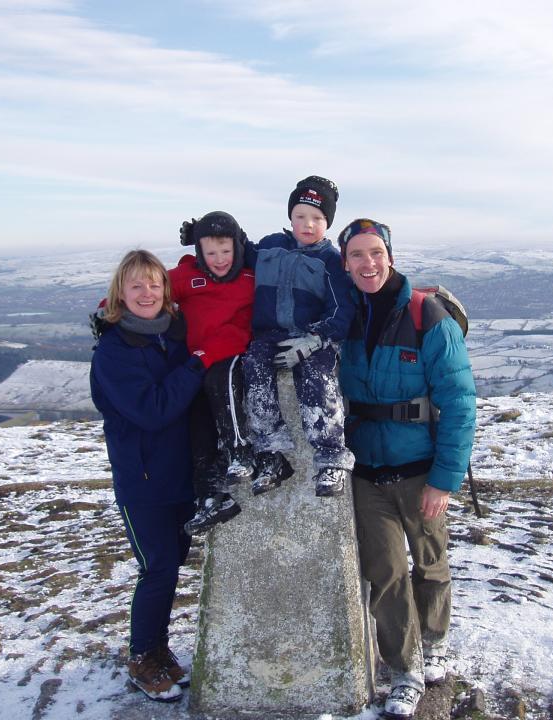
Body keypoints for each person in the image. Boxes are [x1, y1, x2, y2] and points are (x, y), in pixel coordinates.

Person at [336, 218, 476, 720]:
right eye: (356, 255)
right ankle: (405, 669)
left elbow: (459, 401)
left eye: (375, 252)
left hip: (421, 469)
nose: (367, 263)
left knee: (430, 562)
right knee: (386, 573)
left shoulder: (426, 315)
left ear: (390, 256)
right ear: (345, 262)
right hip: (367, 471)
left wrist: (444, 480)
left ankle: (434, 638)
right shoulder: (343, 317)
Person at [89, 249, 206, 703]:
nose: (146, 293)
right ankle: (142, 657)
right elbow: (153, 410)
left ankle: (158, 650)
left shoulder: (169, 336)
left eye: (154, 284)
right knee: (157, 568)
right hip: (143, 481)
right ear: (120, 291)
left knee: (171, 564)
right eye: (136, 285)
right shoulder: (115, 351)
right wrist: (197, 365)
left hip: (179, 475)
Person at [242, 175, 356, 497]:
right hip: (269, 335)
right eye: (300, 216)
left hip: (313, 337)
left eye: (318, 218)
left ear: (328, 223)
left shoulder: (330, 261)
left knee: (316, 377)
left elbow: (341, 311)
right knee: (254, 366)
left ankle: (331, 457)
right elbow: (234, 252)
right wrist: (205, 232)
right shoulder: (268, 248)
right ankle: (271, 449)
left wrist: (315, 339)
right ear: (290, 217)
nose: (308, 224)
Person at [172, 210, 256, 534]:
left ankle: (241, 451)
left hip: (231, 357)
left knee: (220, 386)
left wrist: (205, 356)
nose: (219, 259)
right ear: (199, 253)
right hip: (197, 364)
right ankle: (210, 498)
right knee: (198, 427)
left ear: (237, 247)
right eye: (210, 253)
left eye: (226, 251)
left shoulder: (250, 278)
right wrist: (108, 310)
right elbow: (148, 286)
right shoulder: (188, 276)